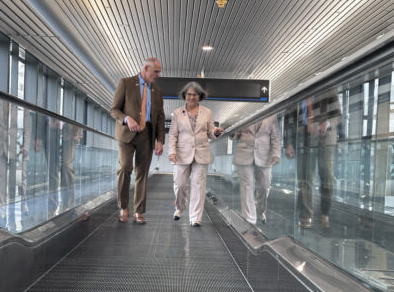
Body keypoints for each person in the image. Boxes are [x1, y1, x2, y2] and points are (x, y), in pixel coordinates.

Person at [110, 58, 165, 224]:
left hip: (147, 134)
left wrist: (160, 140)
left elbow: (160, 118)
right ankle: (123, 207)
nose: (158, 75)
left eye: (159, 72)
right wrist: (127, 118)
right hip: (127, 133)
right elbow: (114, 110)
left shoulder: (157, 91)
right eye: (156, 71)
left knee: (142, 173)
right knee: (125, 168)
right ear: (145, 68)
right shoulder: (126, 83)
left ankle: (139, 212)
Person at [284, 88, 342, 229]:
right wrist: (288, 144)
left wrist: (327, 124)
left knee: (327, 177)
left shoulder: (328, 89)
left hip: (325, 139)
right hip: (303, 139)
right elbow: (288, 121)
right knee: (305, 178)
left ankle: (325, 213)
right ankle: (306, 215)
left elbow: (338, 115)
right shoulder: (296, 92)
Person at [168, 82, 223, 227]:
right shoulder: (177, 113)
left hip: (201, 153)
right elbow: (173, 135)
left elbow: (210, 133)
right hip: (181, 153)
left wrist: (215, 132)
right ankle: (180, 207)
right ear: (184, 95)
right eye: (189, 94)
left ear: (200, 96)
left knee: (198, 186)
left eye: (195, 94)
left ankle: (195, 218)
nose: (191, 97)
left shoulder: (207, 112)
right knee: (180, 184)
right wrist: (172, 152)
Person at [232, 114, 280, 225]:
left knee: (265, 186)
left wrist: (276, 154)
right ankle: (249, 219)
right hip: (244, 153)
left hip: (265, 156)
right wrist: (232, 133)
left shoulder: (272, 115)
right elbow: (236, 134)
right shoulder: (245, 111)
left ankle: (260, 210)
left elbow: (275, 136)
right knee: (247, 186)